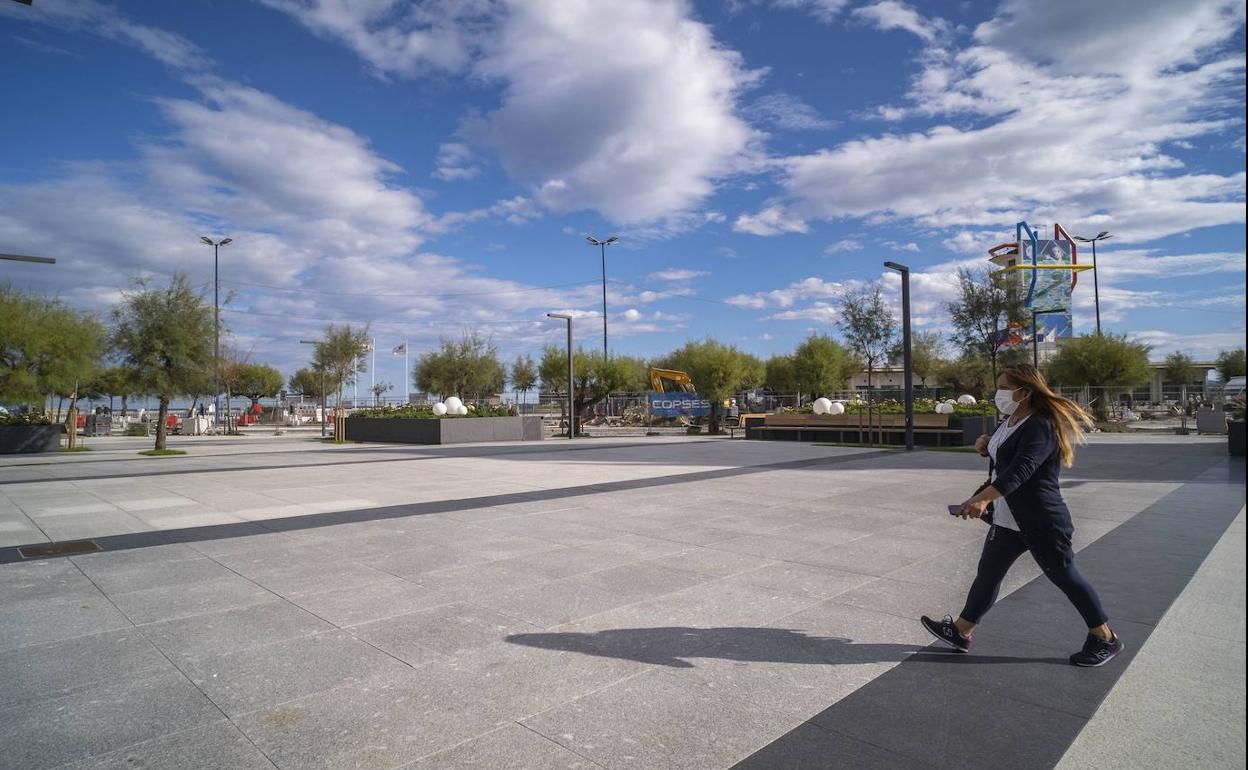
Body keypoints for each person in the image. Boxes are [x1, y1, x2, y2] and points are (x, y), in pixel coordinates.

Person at [921, 364, 1124, 667]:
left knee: (1065, 576)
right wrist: (987, 448)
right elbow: (1008, 458)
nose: (998, 393)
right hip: (1008, 518)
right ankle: (962, 630)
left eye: (1004, 387)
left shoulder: (1041, 425)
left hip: (1041, 520)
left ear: (1025, 391)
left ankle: (1105, 637)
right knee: (987, 575)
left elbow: (1021, 470)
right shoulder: (1011, 419)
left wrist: (980, 499)